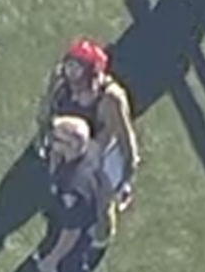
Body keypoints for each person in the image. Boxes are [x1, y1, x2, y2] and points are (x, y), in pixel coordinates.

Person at [36, 38, 140, 209]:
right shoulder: (60, 80)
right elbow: (47, 108)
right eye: (69, 67)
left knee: (96, 198)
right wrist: (45, 136)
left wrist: (125, 179)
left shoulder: (110, 99)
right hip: (69, 137)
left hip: (99, 149)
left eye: (77, 71)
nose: (71, 77)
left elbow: (126, 139)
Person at [36, 116, 114, 272]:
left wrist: (52, 260)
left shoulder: (74, 187)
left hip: (79, 239)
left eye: (56, 139)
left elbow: (72, 231)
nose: (51, 142)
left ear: (71, 146)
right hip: (84, 213)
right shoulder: (89, 152)